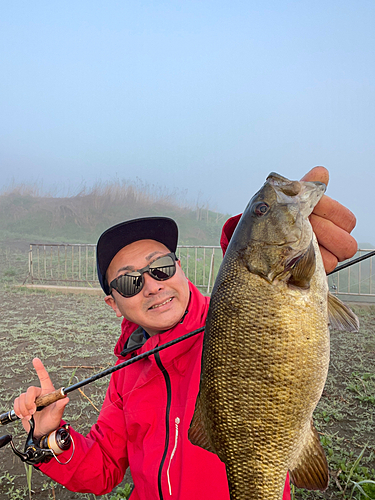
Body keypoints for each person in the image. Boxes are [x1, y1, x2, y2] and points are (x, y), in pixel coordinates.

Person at [13, 167, 357, 499]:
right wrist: (49, 437)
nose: (152, 286)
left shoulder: (225, 322)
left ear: (180, 268)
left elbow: (243, 290)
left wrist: (262, 229)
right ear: (113, 304)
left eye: (160, 267)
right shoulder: (125, 373)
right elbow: (102, 469)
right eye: (129, 281)